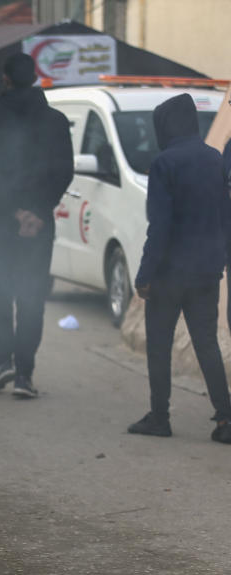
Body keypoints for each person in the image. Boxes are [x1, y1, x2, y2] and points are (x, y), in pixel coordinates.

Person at [127, 94, 231, 442]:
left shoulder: (164, 163)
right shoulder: (215, 159)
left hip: (170, 273)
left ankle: (160, 417)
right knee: (206, 344)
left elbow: (160, 226)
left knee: (159, 345)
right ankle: (225, 419)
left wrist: (145, 275)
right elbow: (222, 217)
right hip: (206, 271)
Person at [0, 53, 73, 398]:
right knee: (32, 295)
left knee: (1, 290)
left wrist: (15, 211)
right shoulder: (57, 122)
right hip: (40, 223)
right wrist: (38, 211)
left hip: (2, 220)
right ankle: (24, 376)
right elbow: (64, 171)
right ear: (34, 78)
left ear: (6, 79)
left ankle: (4, 362)